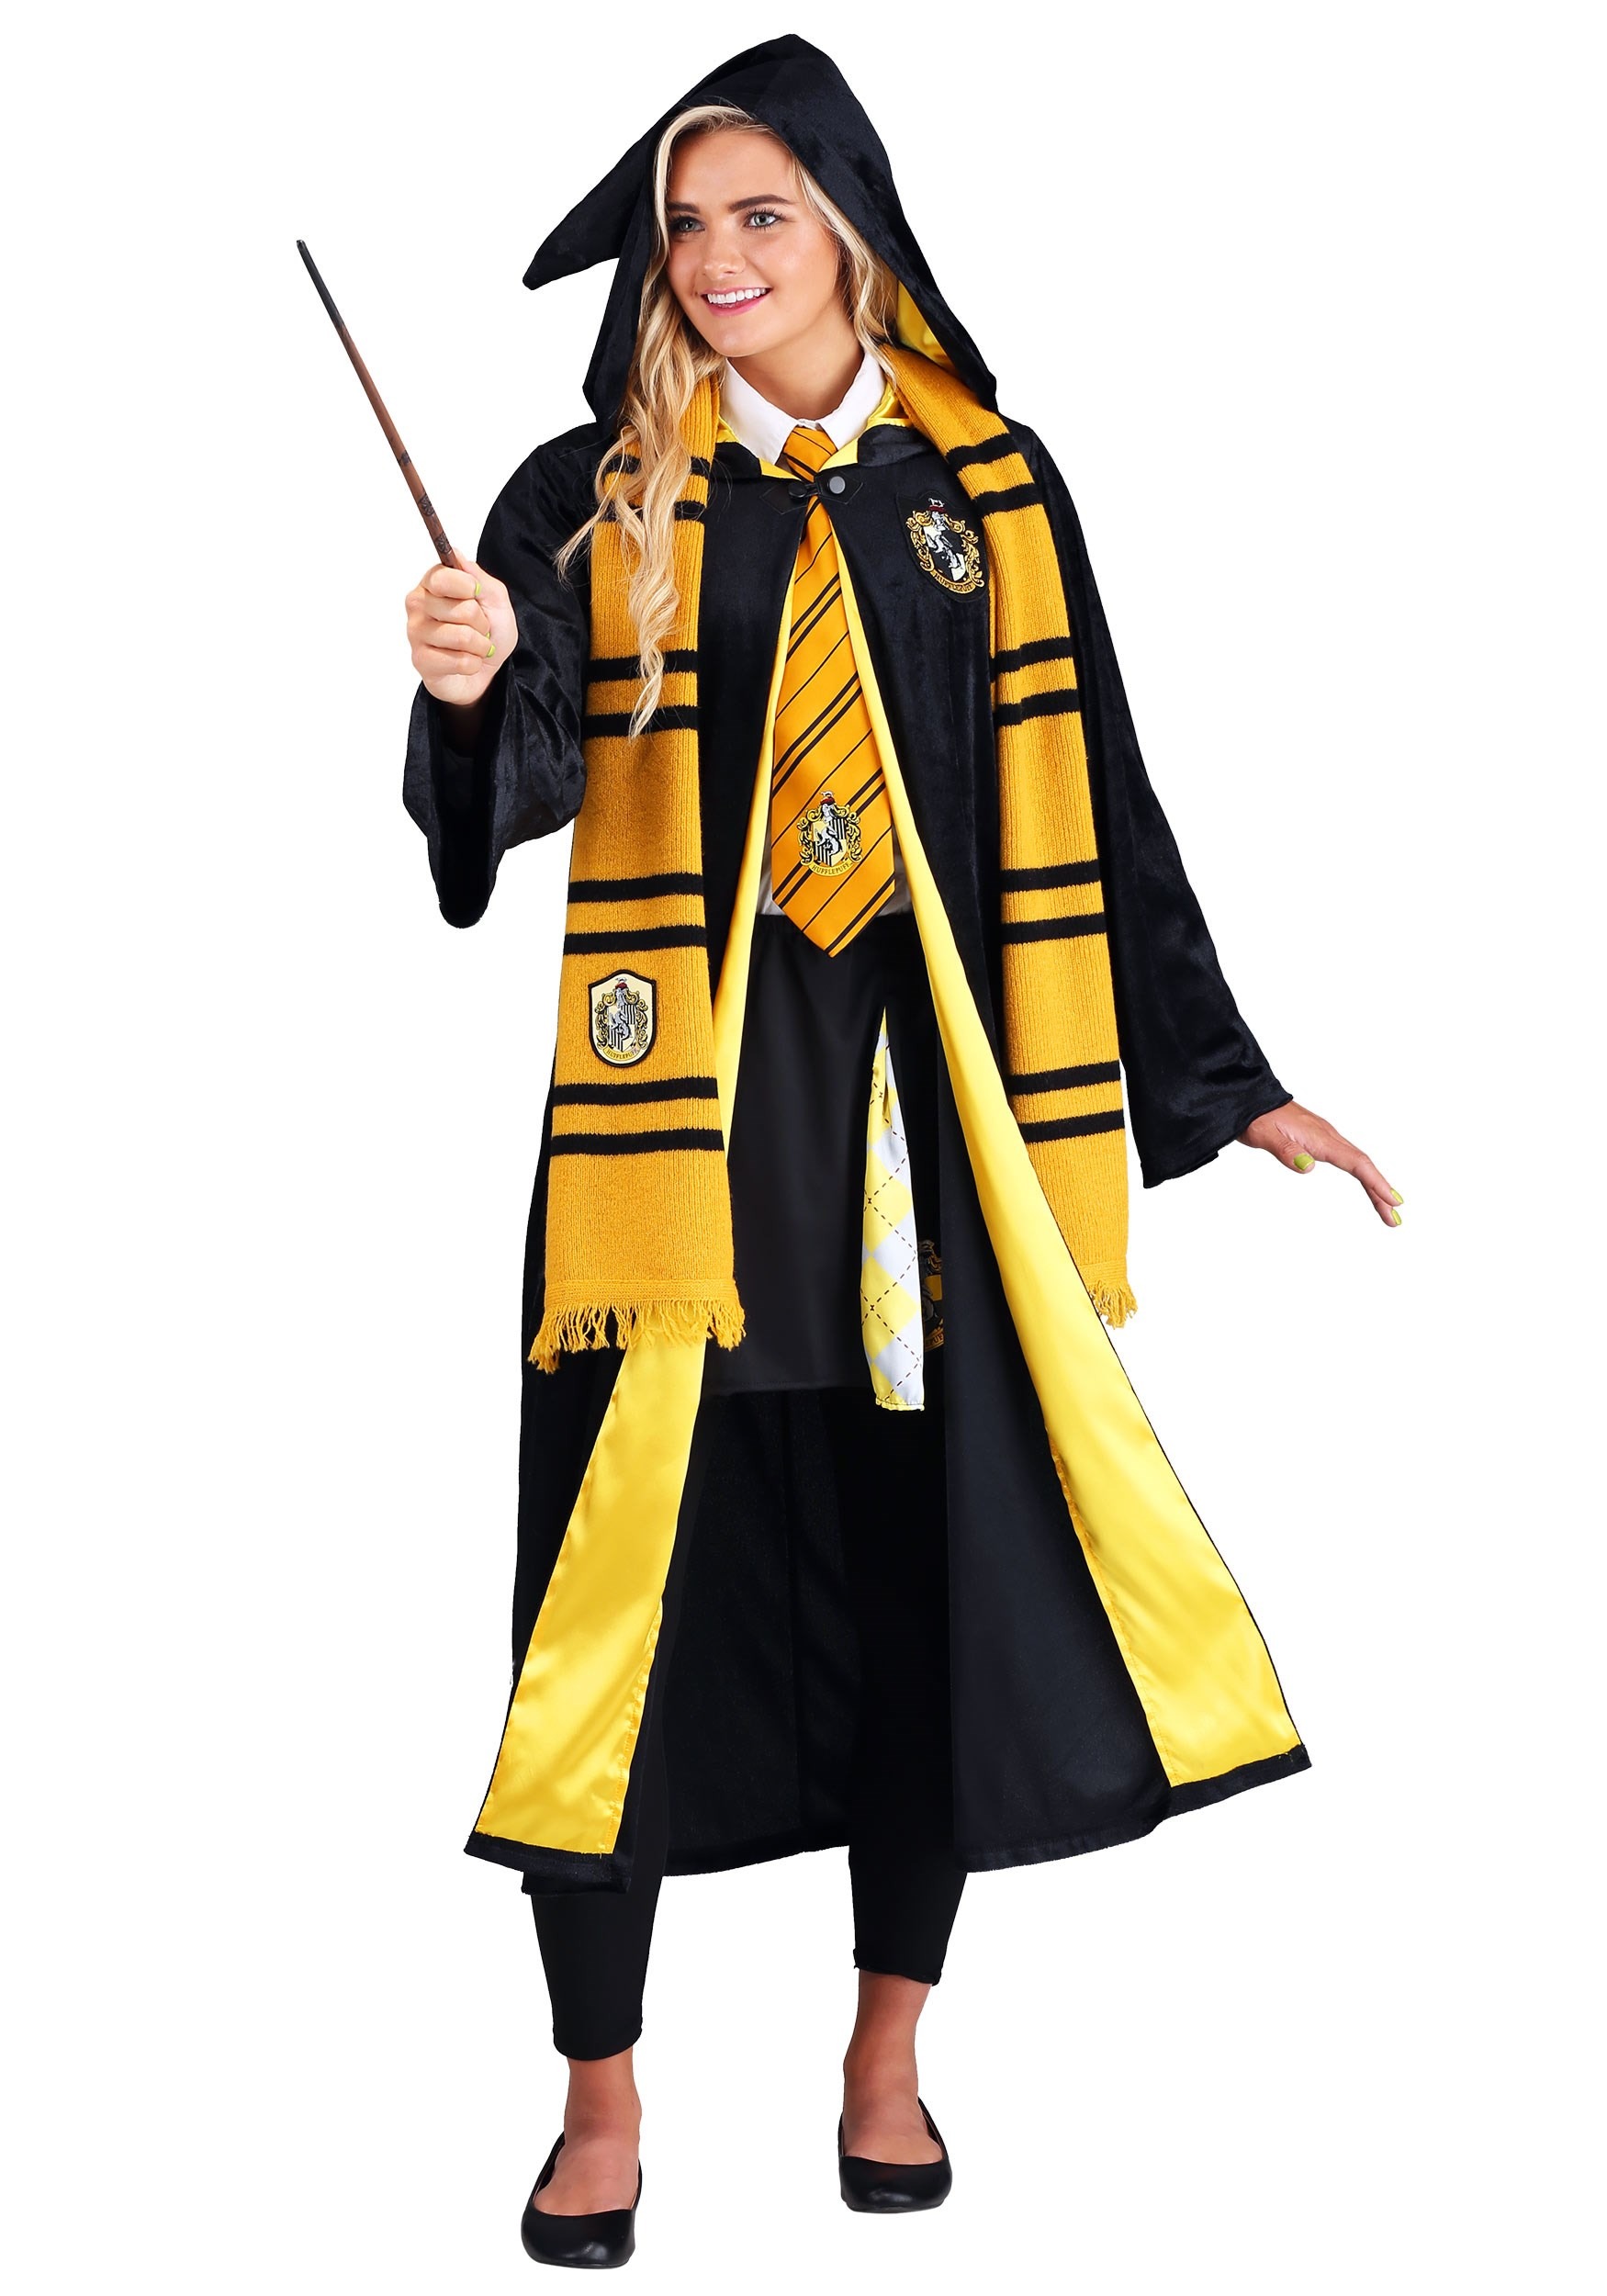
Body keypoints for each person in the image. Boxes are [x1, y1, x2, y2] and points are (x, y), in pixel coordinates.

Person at [400, 37, 1399, 2269]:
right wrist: (467, 688)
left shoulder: (987, 492)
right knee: (605, 1613)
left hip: (930, 1147)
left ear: (851, 229)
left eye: (761, 213)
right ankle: (596, 2092)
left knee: (925, 1586)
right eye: (683, 224)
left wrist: (1222, 1079)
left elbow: (1096, 790)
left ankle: (882, 2056)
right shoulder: (594, 489)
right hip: (681, 1156)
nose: (716, 258)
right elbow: (523, 771)